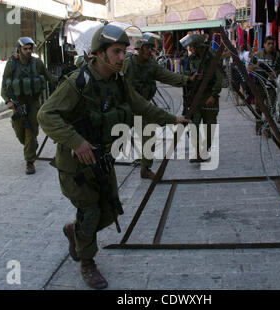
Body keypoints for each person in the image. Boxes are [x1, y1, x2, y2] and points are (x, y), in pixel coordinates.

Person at [37, 23, 190, 289]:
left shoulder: (118, 82)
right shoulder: (78, 84)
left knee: (109, 212)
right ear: (99, 53)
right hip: (76, 164)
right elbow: (45, 115)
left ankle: (76, 231)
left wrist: (172, 119)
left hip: (102, 159)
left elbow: (140, 106)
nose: (122, 57)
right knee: (91, 211)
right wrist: (76, 141)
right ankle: (87, 262)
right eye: (117, 52)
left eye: (124, 51)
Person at [122, 32, 198, 179]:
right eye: (149, 48)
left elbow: (167, 75)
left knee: (149, 137)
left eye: (152, 48)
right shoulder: (128, 63)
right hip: (126, 107)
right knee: (114, 134)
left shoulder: (151, 65)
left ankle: (145, 168)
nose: (151, 51)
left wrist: (187, 79)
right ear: (141, 47)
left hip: (143, 107)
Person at [1, 37, 58, 174]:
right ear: (19, 50)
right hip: (17, 104)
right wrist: (7, 101)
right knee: (20, 132)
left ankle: (29, 161)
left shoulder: (37, 63)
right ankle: (31, 146)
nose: (28, 51)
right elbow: (4, 85)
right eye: (25, 49)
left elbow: (49, 77)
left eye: (30, 48)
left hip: (33, 103)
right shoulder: (11, 65)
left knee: (31, 131)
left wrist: (64, 79)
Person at [180, 34, 222, 162]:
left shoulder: (212, 58)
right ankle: (197, 150)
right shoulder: (191, 59)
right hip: (194, 97)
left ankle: (204, 150)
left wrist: (214, 95)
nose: (190, 49)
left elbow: (219, 78)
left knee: (209, 126)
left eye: (192, 46)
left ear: (198, 46)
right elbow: (186, 75)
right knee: (192, 125)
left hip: (209, 96)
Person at [248, 36, 280, 135]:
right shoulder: (258, 55)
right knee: (259, 107)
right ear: (264, 45)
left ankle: (267, 128)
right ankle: (258, 127)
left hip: (271, 85)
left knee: (270, 107)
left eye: (272, 44)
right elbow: (249, 68)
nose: (271, 46)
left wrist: (274, 73)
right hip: (259, 84)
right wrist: (257, 65)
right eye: (269, 44)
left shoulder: (277, 55)